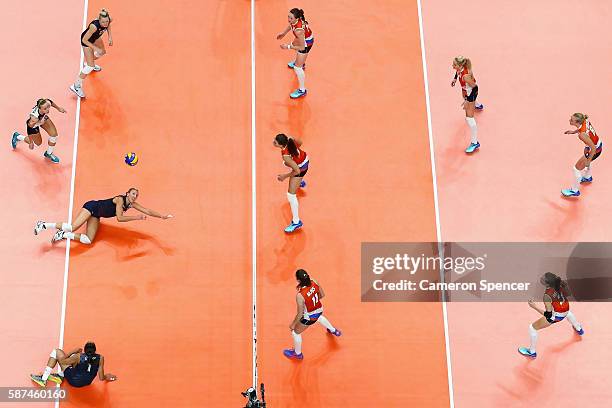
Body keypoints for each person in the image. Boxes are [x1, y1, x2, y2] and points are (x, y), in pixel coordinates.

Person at [34, 187, 173, 245]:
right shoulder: (120, 200)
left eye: (136, 195)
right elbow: (119, 218)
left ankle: (63, 235)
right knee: (72, 226)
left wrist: (162, 216)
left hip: (97, 215)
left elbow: (147, 211)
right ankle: (44, 224)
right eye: (133, 193)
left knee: (88, 240)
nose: (135, 196)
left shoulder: (131, 204)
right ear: (127, 194)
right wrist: (136, 218)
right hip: (92, 207)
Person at [518, 272, 584, 358]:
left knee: (532, 328)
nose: (541, 278)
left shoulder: (547, 296)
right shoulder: (561, 284)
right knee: (568, 313)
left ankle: (532, 352)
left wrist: (534, 307)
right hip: (566, 308)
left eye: (543, 278)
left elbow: (548, 316)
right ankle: (579, 328)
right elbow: (568, 294)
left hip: (557, 316)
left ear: (547, 283)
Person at [283, 269, 342, 361]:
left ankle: (297, 354)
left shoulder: (300, 296)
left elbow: (299, 314)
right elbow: (322, 295)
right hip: (319, 309)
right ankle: (334, 330)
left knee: (295, 332)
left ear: (298, 280)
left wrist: (293, 325)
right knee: (319, 317)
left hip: (310, 317)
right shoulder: (314, 281)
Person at [30, 341, 116, 387]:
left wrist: (72, 352)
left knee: (56, 352)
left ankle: (43, 379)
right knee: (76, 363)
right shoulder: (100, 358)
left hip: (73, 381)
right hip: (86, 383)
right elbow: (101, 378)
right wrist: (106, 377)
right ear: (95, 351)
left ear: (85, 350)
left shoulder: (78, 357)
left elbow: (63, 361)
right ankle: (60, 376)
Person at [70, 9, 113, 98]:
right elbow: (84, 40)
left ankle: (89, 62)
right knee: (90, 66)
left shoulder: (109, 20)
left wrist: (110, 37)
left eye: (107, 21)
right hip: (87, 41)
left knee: (102, 52)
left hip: (95, 37)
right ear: (99, 20)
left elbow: (108, 26)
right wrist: (96, 48)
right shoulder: (94, 27)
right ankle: (76, 85)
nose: (105, 23)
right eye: (103, 22)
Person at [11, 98, 67, 163]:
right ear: (39, 108)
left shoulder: (45, 103)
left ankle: (49, 153)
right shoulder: (34, 118)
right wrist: (31, 142)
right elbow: (29, 128)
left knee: (54, 135)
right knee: (37, 143)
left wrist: (58, 108)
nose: (48, 110)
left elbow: (50, 102)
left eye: (47, 107)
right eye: (45, 109)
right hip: (34, 127)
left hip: (43, 119)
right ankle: (17, 136)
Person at [561, 113, 602, 197]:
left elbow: (593, 148)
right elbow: (581, 129)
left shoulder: (582, 135)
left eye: (571, 120)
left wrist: (588, 160)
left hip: (594, 150)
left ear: (577, 122)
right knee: (585, 160)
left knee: (576, 169)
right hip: (598, 144)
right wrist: (573, 132)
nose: (569, 120)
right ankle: (587, 177)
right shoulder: (585, 120)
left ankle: (574, 191)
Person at [274, 134, 308, 233]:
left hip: (301, 168)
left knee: (291, 195)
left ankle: (296, 222)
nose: (273, 142)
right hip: (305, 159)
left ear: (281, 145)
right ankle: (299, 182)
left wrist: (284, 176)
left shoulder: (286, 156)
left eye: (275, 142)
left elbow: (297, 171)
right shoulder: (290, 141)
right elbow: (300, 143)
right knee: (285, 164)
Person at [277, 8, 314, 99]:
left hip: (306, 43)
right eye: (288, 17)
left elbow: (302, 47)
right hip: (304, 39)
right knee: (294, 44)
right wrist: (283, 33)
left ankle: (302, 90)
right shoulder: (296, 20)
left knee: (297, 68)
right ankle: (301, 61)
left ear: (296, 19)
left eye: (291, 18)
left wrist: (288, 47)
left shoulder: (299, 31)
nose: (289, 20)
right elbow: (291, 25)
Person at [451, 56, 483, 153]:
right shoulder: (460, 69)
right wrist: (455, 79)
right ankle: (477, 105)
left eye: (454, 65)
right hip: (465, 89)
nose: (452, 66)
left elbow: (475, 88)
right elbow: (457, 72)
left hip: (471, 93)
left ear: (460, 65)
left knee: (469, 118)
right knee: (465, 99)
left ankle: (475, 143)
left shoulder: (466, 76)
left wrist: (467, 101)